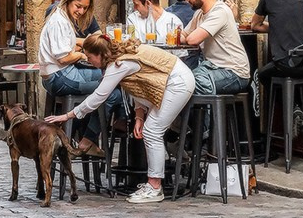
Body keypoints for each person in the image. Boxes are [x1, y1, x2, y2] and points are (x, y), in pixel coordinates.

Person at [47, 35, 196, 204]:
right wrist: (139, 115)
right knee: (150, 130)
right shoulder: (121, 56)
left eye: (89, 57)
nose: (88, 61)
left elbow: (98, 97)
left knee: (152, 131)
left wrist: (68, 115)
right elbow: (140, 83)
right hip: (172, 80)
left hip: (177, 83)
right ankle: (153, 184)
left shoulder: (118, 64)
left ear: (100, 54)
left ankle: (155, 187)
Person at [38, 0, 115, 155]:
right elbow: (64, 57)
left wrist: (86, 44)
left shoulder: (62, 16)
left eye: (84, 8)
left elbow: (71, 43)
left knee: (106, 78)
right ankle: (88, 140)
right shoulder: (59, 21)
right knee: (111, 90)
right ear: (68, 0)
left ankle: (81, 132)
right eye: (78, 6)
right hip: (60, 77)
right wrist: (83, 55)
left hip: (58, 75)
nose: (80, 11)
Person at [183, 0, 250, 95]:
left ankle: (208, 111)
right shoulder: (199, 13)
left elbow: (192, 39)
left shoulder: (220, 11)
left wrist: (186, 36)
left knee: (189, 82)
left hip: (233, 72)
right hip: (212, 68)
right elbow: (183, 35)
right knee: (183, 80)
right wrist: (182, 36)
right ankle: (201, 109)